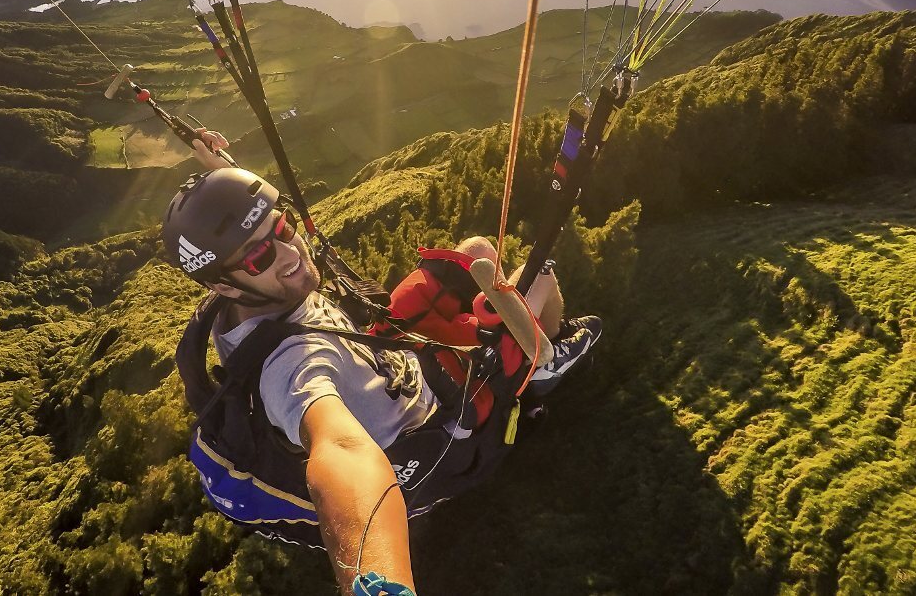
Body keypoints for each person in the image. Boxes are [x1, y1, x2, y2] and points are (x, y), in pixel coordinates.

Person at [164, 132, 601, 596]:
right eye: (259, 257)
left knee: (477, 253)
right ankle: (544, 368)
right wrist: (376, 580)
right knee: (537, 280)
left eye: (283, 228)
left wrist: (219, 171)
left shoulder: (243, 297)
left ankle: (521, 344)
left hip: (388, 354)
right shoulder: (293, 370)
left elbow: (246, 236)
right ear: (224, 285)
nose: (290, 254)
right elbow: (340, 453)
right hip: (440, 423)